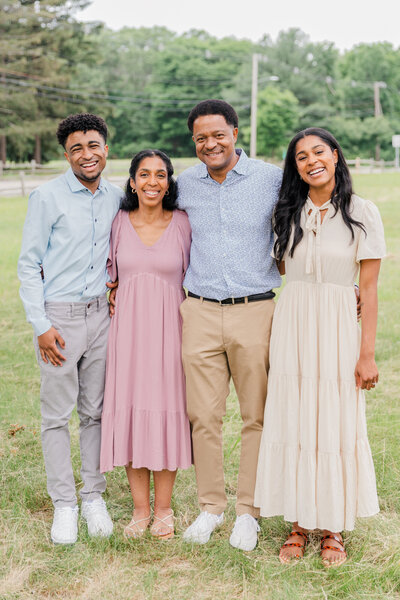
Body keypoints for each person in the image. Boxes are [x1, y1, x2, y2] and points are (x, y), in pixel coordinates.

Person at [254, 127, 385, 566]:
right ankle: (298, 523)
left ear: (334, 155)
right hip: (293, 321)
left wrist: (366, 355)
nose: (311, 161)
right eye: (301, 156)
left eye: (318, 152)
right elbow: (281, 267)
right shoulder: (286, 212)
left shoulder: (362, 212)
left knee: (334, 419)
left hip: (337, 327)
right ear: (295, 167)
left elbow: (369, 290)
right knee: (294, 416)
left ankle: (333, 527)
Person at [177, 99, 282, 551]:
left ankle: (249, 512)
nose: (210, 144)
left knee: (256, 415)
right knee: (203, 415)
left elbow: (315, 214)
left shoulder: (271, 179)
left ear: (235, 133)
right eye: (201, 137)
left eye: (218, 134)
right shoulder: (182, 183)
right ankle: (210, 508)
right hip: (198, 309)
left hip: (255, 308)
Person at [17, 113, 123, 545]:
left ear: (105, 149)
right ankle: (65, 504)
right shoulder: (47, 197)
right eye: (77, 148)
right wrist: (41, 325)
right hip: (58, 317)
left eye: (93, 145)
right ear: (66, 155)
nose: (86, 154)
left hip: (102, 316)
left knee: (95, 412)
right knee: (56, 416)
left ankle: (93, 496)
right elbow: (28, 264)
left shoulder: (117, 196)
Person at [100, 150, 192, 540]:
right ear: (133, 182)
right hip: (128, 333)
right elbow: (105, 274)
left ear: (169, 182)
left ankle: (165, 510)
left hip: (172, 330)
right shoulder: (118, 222)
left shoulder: (185, 223)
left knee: (168, 411)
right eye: (144, 174)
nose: (152, 181)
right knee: (131, 413)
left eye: (160, 175)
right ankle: (140, 510)